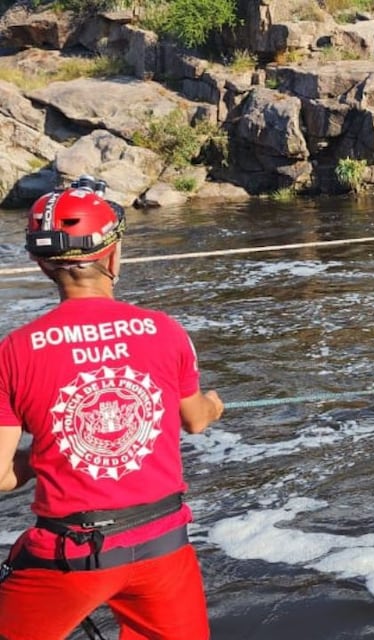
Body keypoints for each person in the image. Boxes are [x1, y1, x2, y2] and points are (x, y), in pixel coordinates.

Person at [0, 175, 224, 639]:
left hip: (68, 555)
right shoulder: (165, 331)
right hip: (163, 546)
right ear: (113, 255)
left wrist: (48, 456)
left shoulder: (14, 352)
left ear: (42, 265)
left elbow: (0, 475)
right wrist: (214, 405)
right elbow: (196, 420)